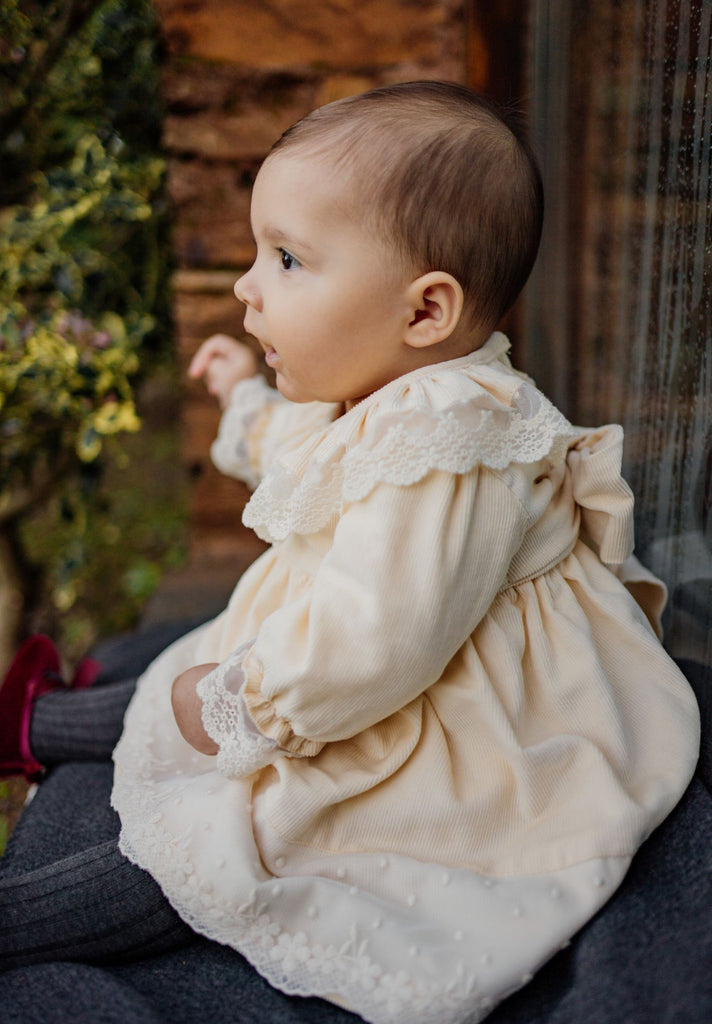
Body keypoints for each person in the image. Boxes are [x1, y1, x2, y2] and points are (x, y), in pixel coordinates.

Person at [0, 82, 700, 1024]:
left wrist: (251, 702)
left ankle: (28, 916)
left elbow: (379, 642)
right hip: (352, 667)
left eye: (287, 259)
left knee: (250, 832)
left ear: (425, 311)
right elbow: (306, 453)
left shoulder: (453, 442)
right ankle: (42, 725)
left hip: (438, 703)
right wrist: (245, 400)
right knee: (192, 676)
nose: (248, 286)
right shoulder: (388, 384)